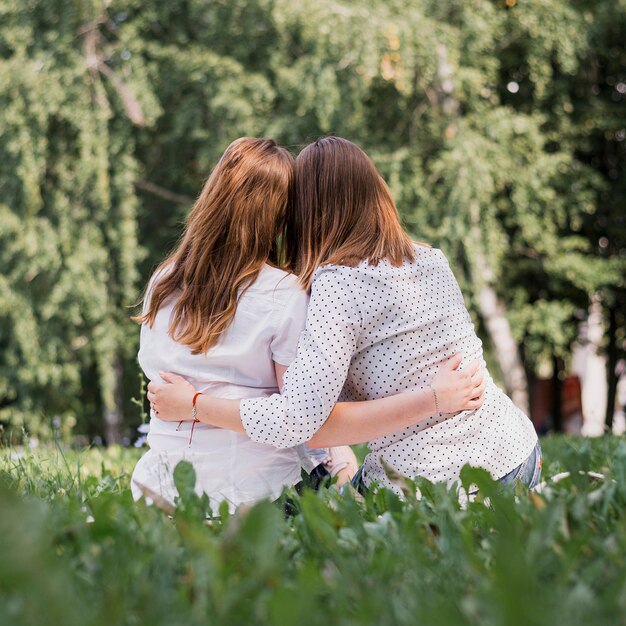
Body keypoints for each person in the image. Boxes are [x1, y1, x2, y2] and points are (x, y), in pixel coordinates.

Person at [132, 137, 485, 511]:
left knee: (338, 452)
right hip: (259, 495)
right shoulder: (282, 293)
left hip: (161, 488)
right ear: (281, 217)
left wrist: (191, 404)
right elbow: (297, 418)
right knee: (339, 465)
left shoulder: (164, 281)